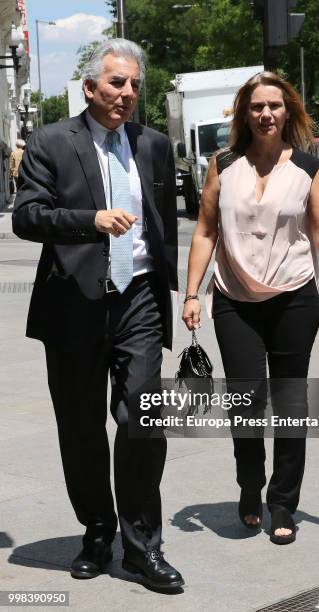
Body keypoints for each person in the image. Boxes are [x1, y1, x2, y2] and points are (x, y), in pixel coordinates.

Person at [12, 39, 184, 591]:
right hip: (74, 304)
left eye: (135, 84)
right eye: (116, 83)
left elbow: (164, 227)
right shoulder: (50, 142)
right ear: (90, 88)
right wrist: (90, 221)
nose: (128, 94)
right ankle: (97, 530)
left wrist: (173, 291)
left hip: (136, 299)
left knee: (143, 421)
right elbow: (27, 216)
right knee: (81, 428)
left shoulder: (155, 144)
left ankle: (142, 547)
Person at [182, 71, 319, 545]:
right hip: (235, 301)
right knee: (245, 405)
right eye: (257, 107)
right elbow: (205, 231)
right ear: (245, 112)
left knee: (291, 404)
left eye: (275, 107)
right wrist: (191, 293)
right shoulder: (222, 164)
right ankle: (250, 486)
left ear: (289, 113)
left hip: (294, 300)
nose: (266, 114)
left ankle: (282, 502)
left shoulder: (307, 167)